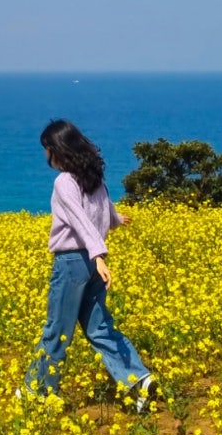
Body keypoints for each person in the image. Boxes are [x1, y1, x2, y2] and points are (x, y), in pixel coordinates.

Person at [22, 119, 154, 411]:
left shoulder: (64, 182)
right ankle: (138, 378)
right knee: (99, 328)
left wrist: (98, 255)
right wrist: (117, 221)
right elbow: (102, 212)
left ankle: (39, 391)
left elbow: (80, 221)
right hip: (94, 266)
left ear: (58, 150)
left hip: (73, 263)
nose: (46, 157)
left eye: (47, 150)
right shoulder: (94, 180)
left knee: (57, 329)